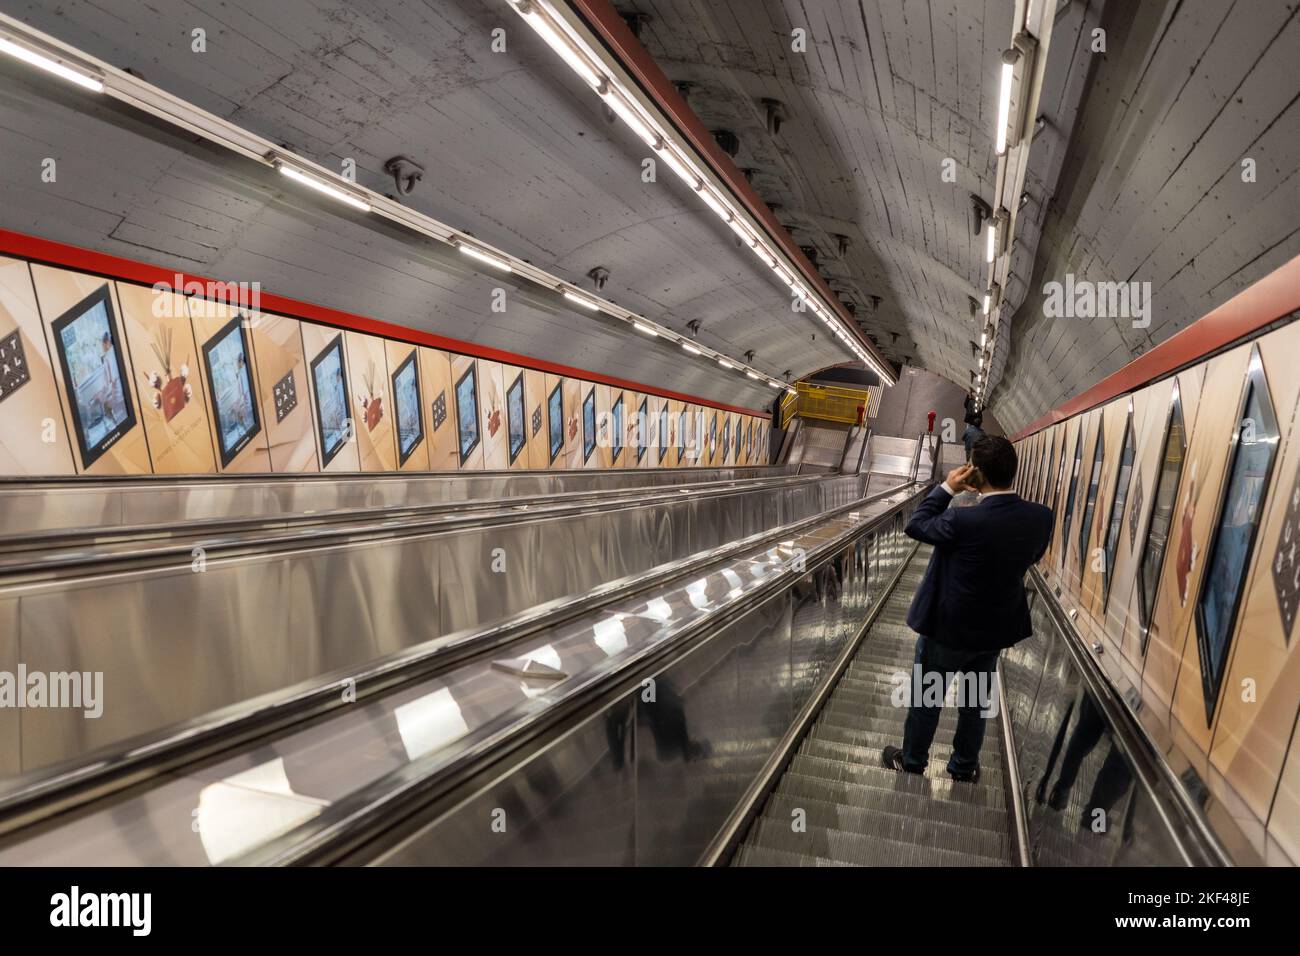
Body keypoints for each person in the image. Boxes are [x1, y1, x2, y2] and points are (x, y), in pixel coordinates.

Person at [882, 435, 1053, 782]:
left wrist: (946, 487)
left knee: (927, 699)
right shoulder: (1040, 517)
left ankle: (913, 761)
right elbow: (1031, 556)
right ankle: (963, 767)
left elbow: (915, 525)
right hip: (992, 634)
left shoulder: (962, 521)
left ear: (976, 473)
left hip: (946, 631)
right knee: (975, 703)